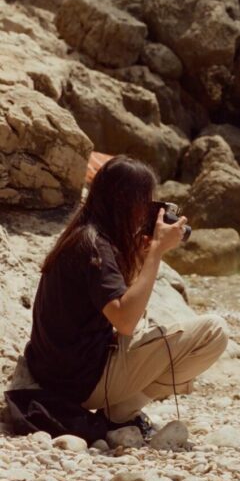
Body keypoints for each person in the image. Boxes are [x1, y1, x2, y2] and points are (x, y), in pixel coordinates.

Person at [24, 154, 227, 432]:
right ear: (127, 202)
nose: (147, 212)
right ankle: (120, 412)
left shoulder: (83, 234)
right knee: (214, 331)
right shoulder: (96, 248)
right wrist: (156, 252)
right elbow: (124, 321)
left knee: (149, 325)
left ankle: (119, 408)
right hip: (80, 383)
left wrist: (141, 256)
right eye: (146, 203)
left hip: (56, 373)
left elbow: (114, 307)